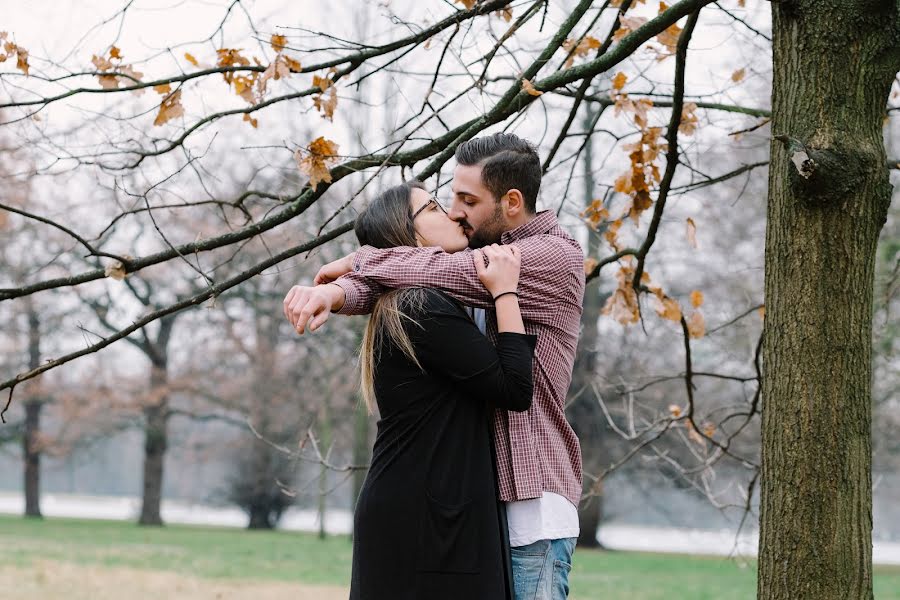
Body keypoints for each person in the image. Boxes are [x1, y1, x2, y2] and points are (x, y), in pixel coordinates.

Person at [284, 133, 585, 600]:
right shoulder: (478, 263)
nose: (457, 212)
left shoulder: (550, 257)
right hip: (481, 500)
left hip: (530, 498)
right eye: (449, 200)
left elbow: (436, 273)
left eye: (468, 200)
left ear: (510, 202)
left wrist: (358, 263)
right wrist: (342, 290)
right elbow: (413, 288)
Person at [342, 180, 536, 600]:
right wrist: (505, 292)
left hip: (428, 509)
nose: (451, 213)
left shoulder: (418, 302)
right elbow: (514, 387)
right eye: (431, 207)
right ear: (408, 235)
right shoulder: (419, 306)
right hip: (425, 518)